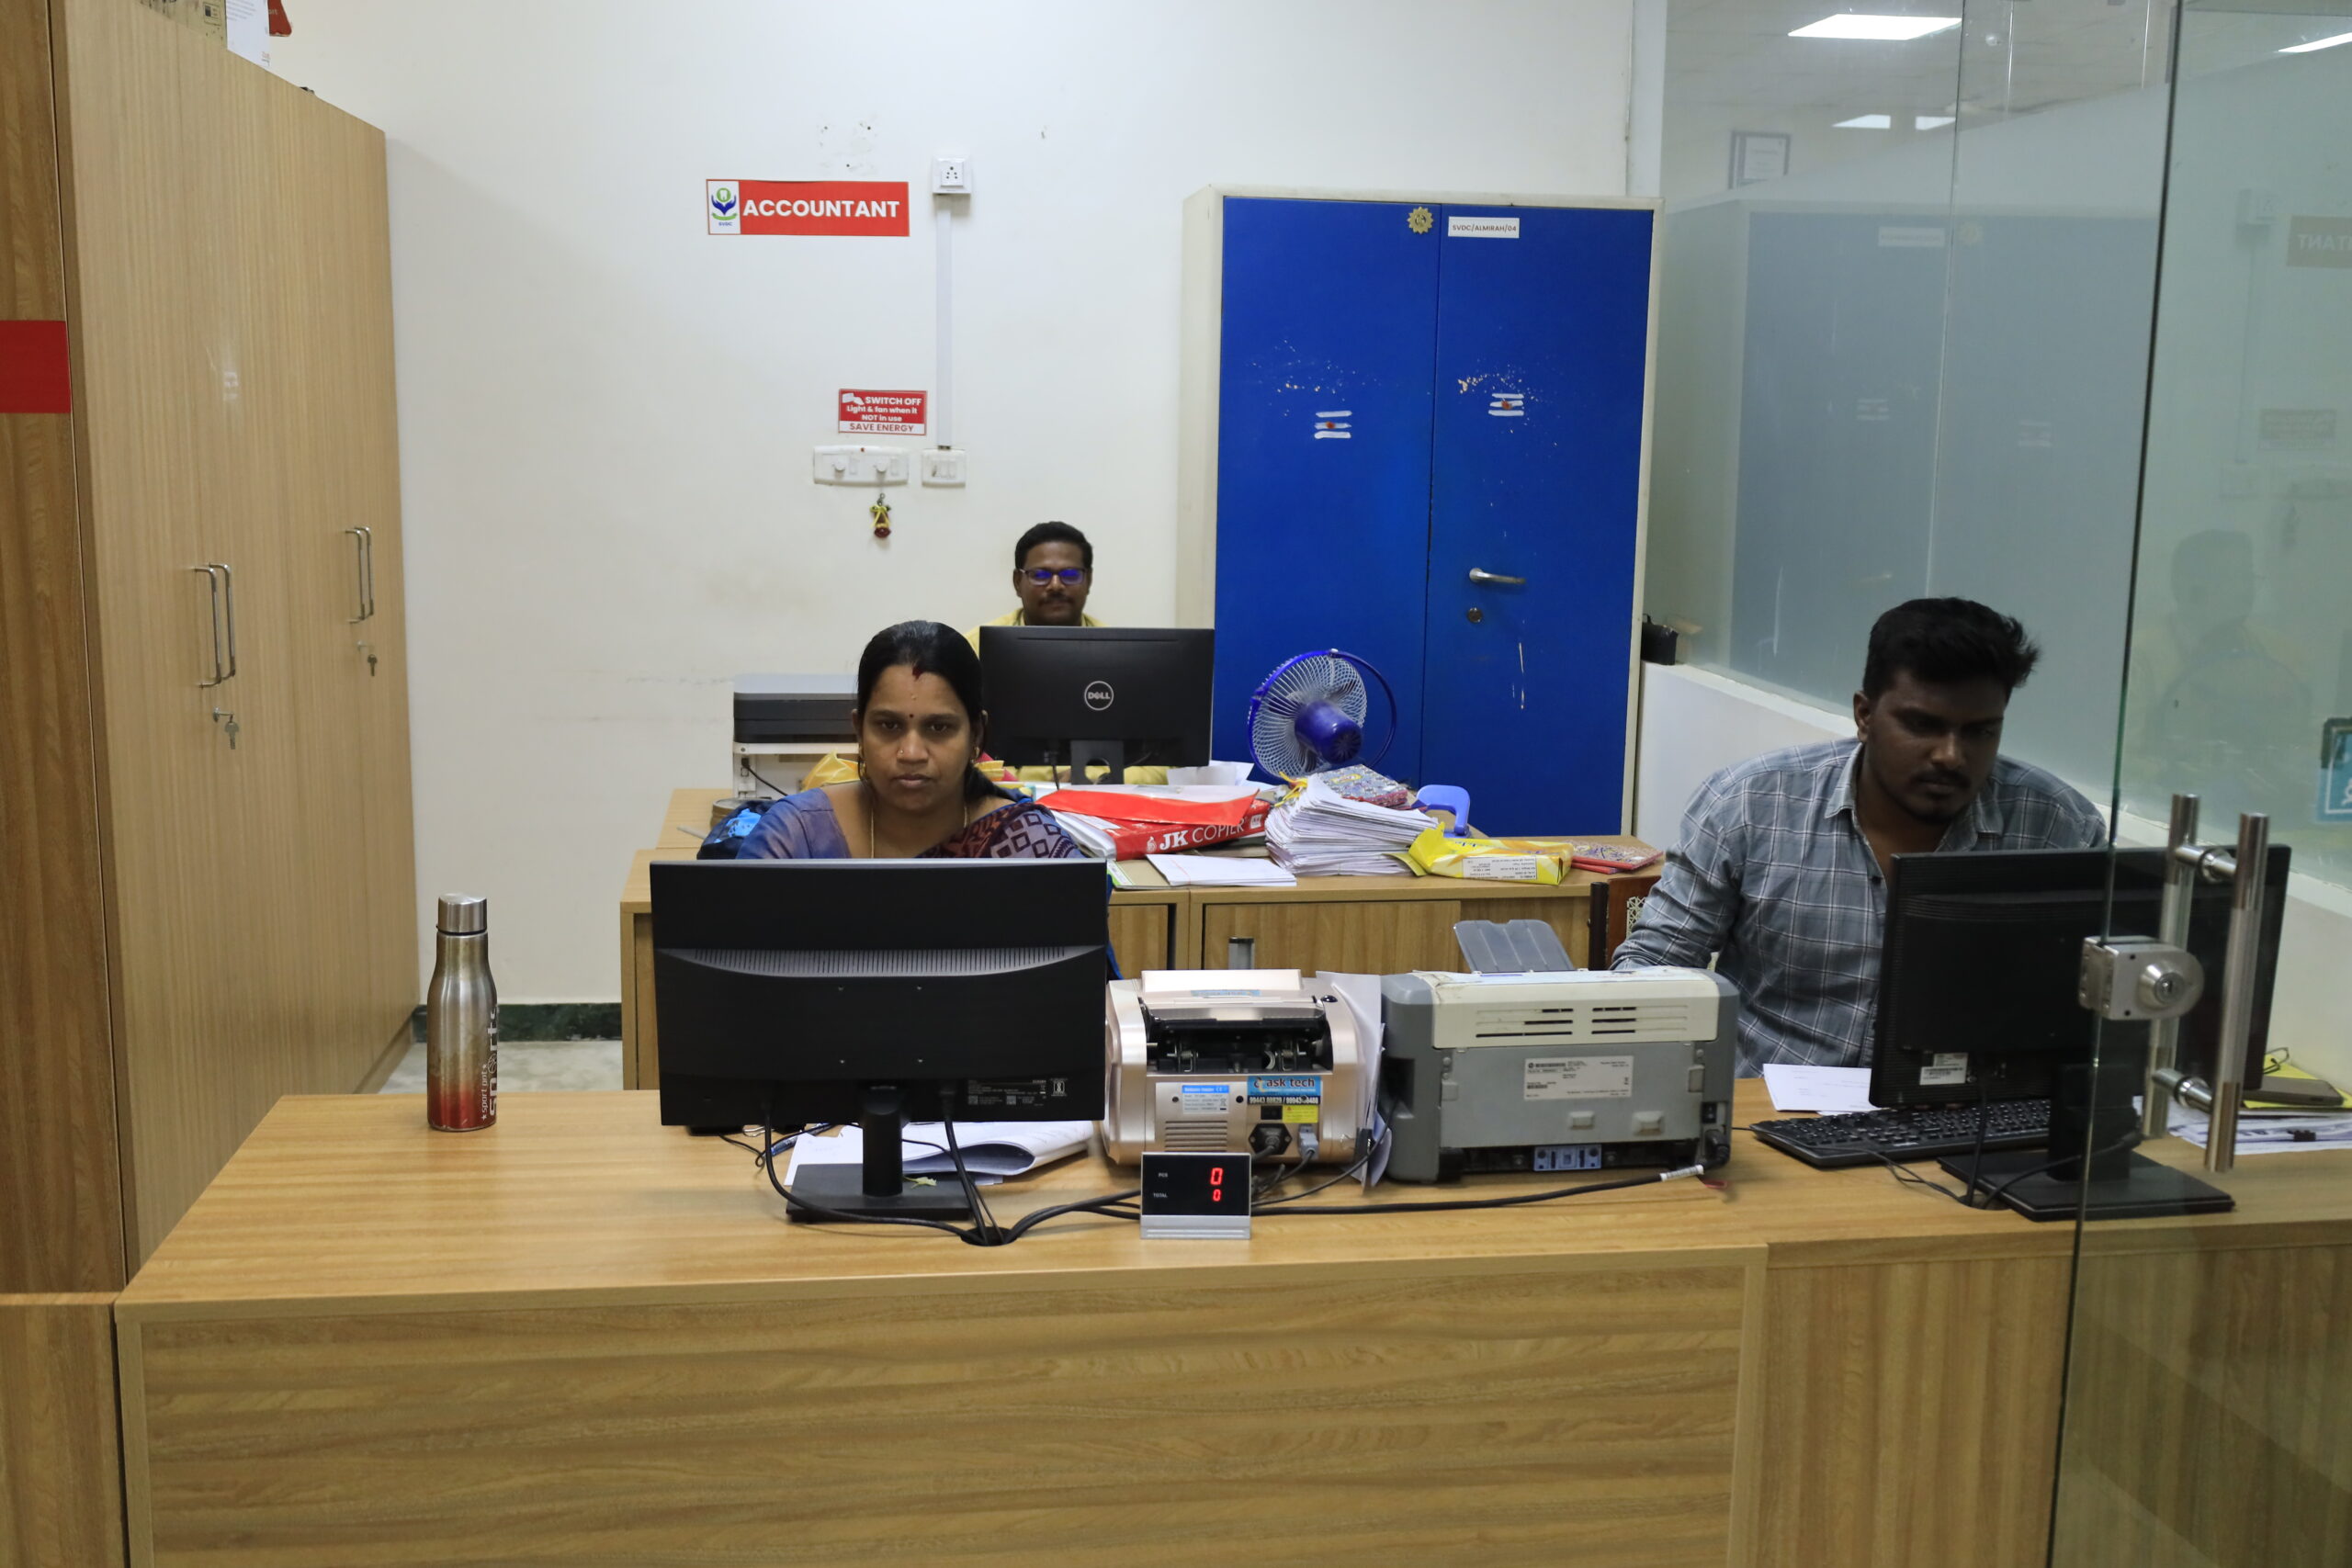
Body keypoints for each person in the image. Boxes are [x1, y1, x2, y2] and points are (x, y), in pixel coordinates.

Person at [1611, 598, 2106, 1075]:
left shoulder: (2057, 828)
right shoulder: (1749, 803)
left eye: (1980, 732)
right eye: (1922, 725)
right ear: (1865, 716)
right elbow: (1654, 965)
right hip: (1767, 1102)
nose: (1951, 756)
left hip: (1962, 1107)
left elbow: (2094, 1007)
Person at [737, 620, 1083, 861]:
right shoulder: (797, 837)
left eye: (939, 728)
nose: (911, 753)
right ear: (859, 731)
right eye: (889, 726)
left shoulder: (1028, 845)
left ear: (976, 735)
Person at [967, 521, 1101, 648]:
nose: (1055, 586)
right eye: (1040, 575)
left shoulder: (1112, 649)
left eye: (1070, 575)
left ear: (1088, 580)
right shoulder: (976, 648)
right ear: (1017, 582)